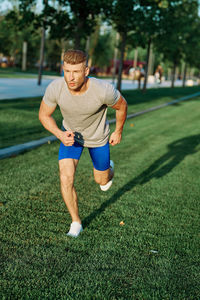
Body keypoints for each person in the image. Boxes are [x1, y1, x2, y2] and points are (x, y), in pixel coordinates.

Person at [39, 50, 127, 238]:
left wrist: (118, 131)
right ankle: (76, 222)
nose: (70, 77)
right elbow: (43, 115)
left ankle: (109, 170)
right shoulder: (56, 88)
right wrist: (60, 134)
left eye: (76, 72)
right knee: (65, 177)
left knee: (101, 181)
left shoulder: (103, 90)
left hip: (98, 139)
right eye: (67, 71)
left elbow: (122, 105)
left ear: (86, 70)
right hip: (71, 137)